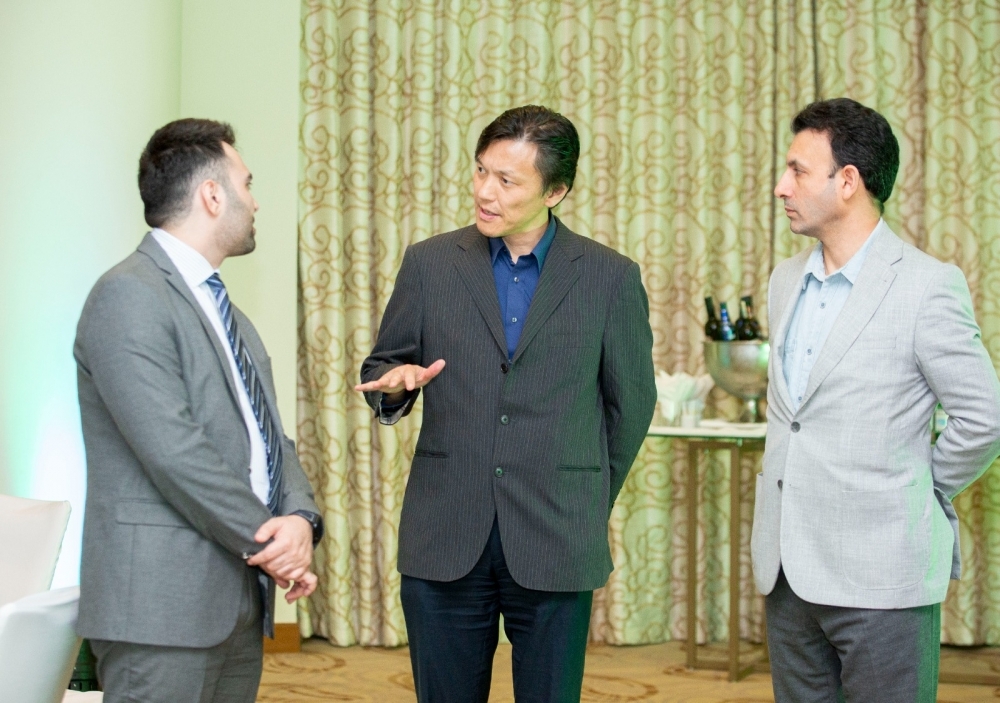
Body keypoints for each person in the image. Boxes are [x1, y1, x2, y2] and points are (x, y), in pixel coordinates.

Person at [356, 105, 656, 703]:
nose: (484, 192)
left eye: (507, 180)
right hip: (446, 531)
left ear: (555, 192)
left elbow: (631, 405)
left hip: (555, 535)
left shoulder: (609, 277)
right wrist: (395, 386)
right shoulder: (430, 263)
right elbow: (383, 367)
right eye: (481, 171)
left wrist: (585, 494)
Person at [751, 98, 1000, 701]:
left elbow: (984, 417)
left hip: (883, 572)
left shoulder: (926, 286)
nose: (781, 186)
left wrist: (917, 486)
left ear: (848, 181)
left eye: (797, 171)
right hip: (787, 572)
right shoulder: (784, 280)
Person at [74, 118, 324, 703]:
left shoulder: (228, 312)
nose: (254, 201)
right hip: (159, 609)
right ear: (212, 195)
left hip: (236, 599)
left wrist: (300, 519)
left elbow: (270, 439)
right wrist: (272, 543)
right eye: (247, 183)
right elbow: (174, 451)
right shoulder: (128, 294)